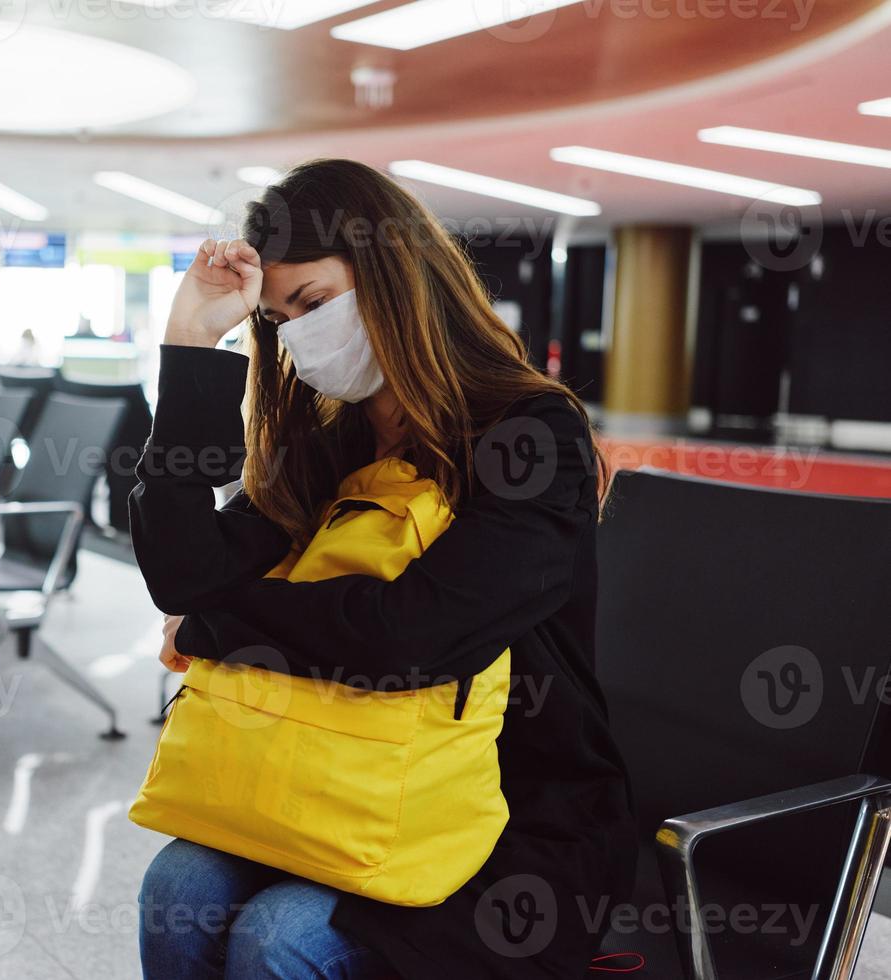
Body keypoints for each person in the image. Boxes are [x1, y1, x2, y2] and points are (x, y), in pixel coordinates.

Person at [131, 159, 636, 979]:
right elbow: (184, 574)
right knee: (176, 884)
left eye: (314, 304)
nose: (296, 336)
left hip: (511, 809)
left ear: (397, 277)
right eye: (277, 318)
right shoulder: (333, 442)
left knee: (279, 934)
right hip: (335, 772)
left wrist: (215, 631)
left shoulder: (530, 437)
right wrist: (191, 345)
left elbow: (406, 637)